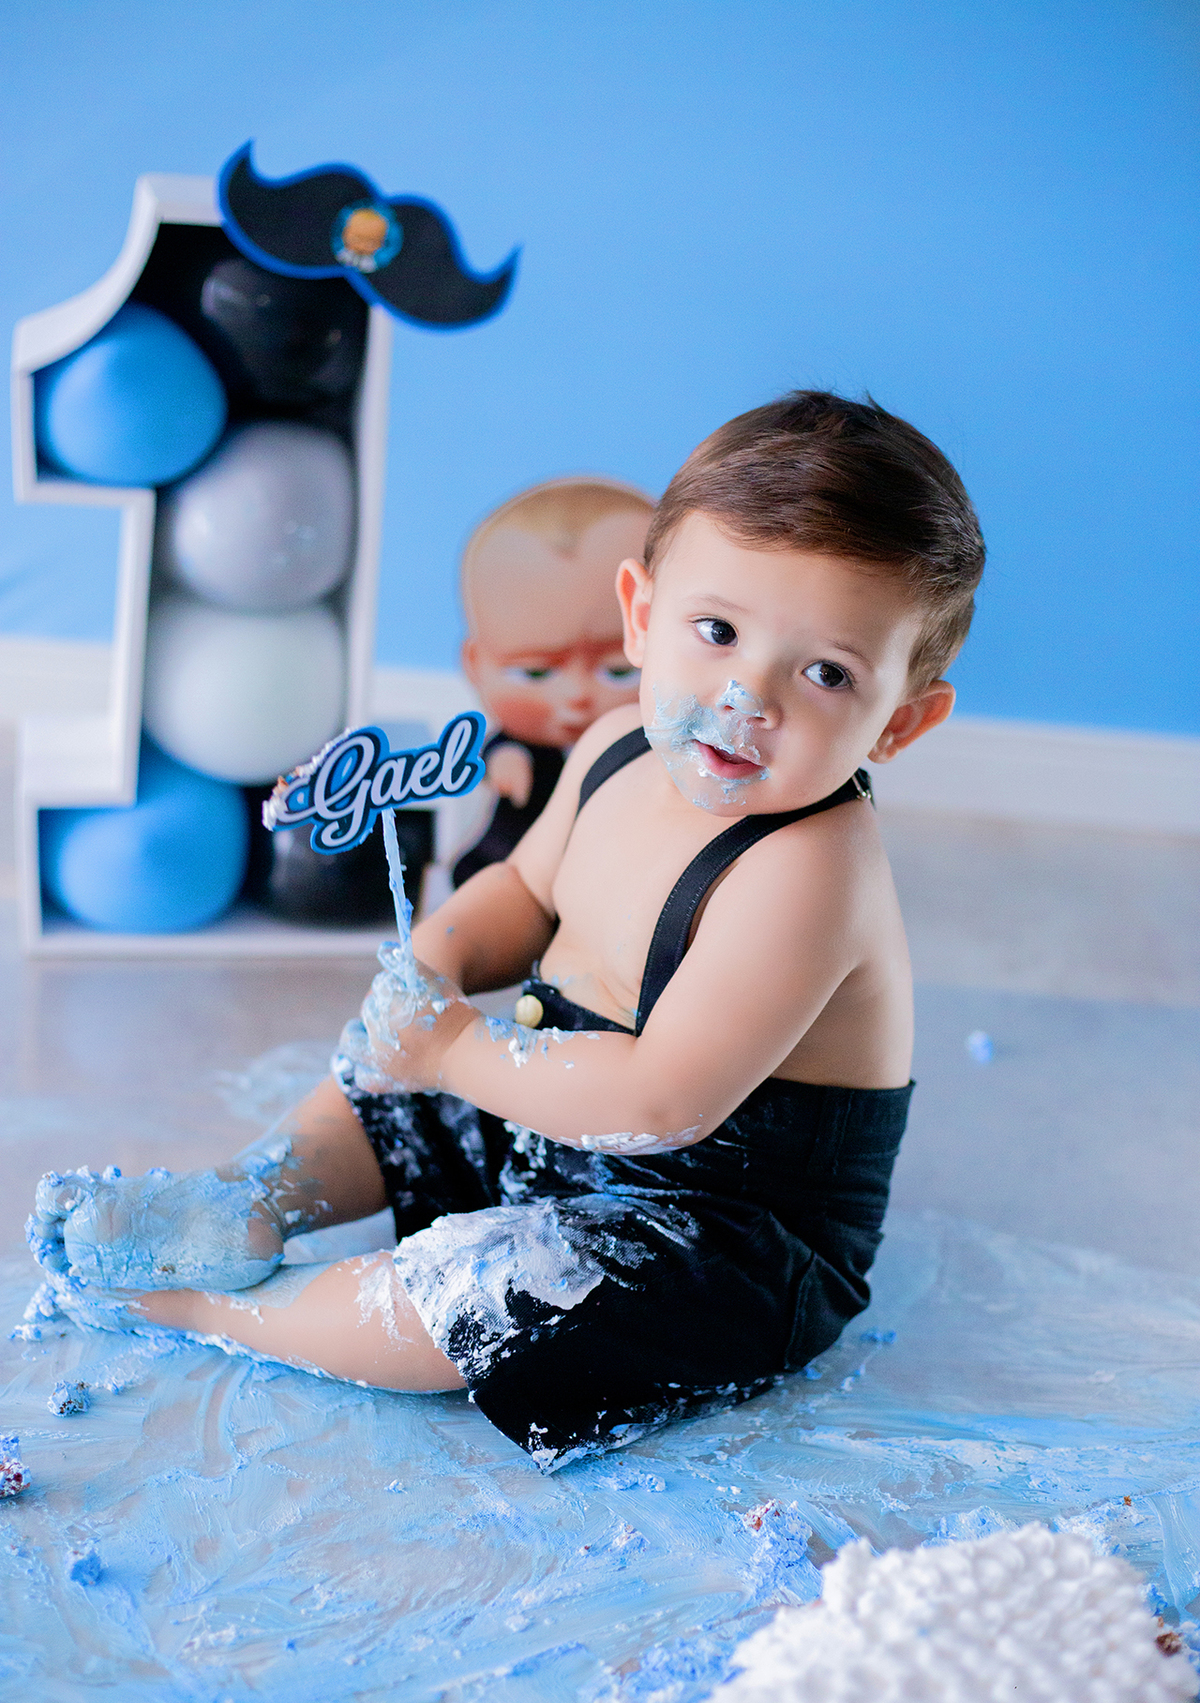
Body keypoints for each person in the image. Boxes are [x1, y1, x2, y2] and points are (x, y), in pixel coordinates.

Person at [27, 391, 984, 1473]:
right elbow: (525, 890)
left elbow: (661, 1101)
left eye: (826, 674)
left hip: (721, 1229)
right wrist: (435, 963)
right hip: (556, 1114)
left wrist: (454, 1048)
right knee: (382, 1087)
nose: (745, 696)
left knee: (484, 1288)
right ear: (641, 615)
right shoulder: (617, 747)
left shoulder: (810, 873)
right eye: (717, 631)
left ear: (902, 720)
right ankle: (255, 1194)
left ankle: (228, 1308)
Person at [452, 475, 653, 886]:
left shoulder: (651, 750)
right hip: (509, 864)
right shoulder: (525, 748)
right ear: (476, 666)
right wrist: (504, 762)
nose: (577, 695)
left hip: (608, 878)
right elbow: (494, 749)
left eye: (619, 670)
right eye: (535, 672)